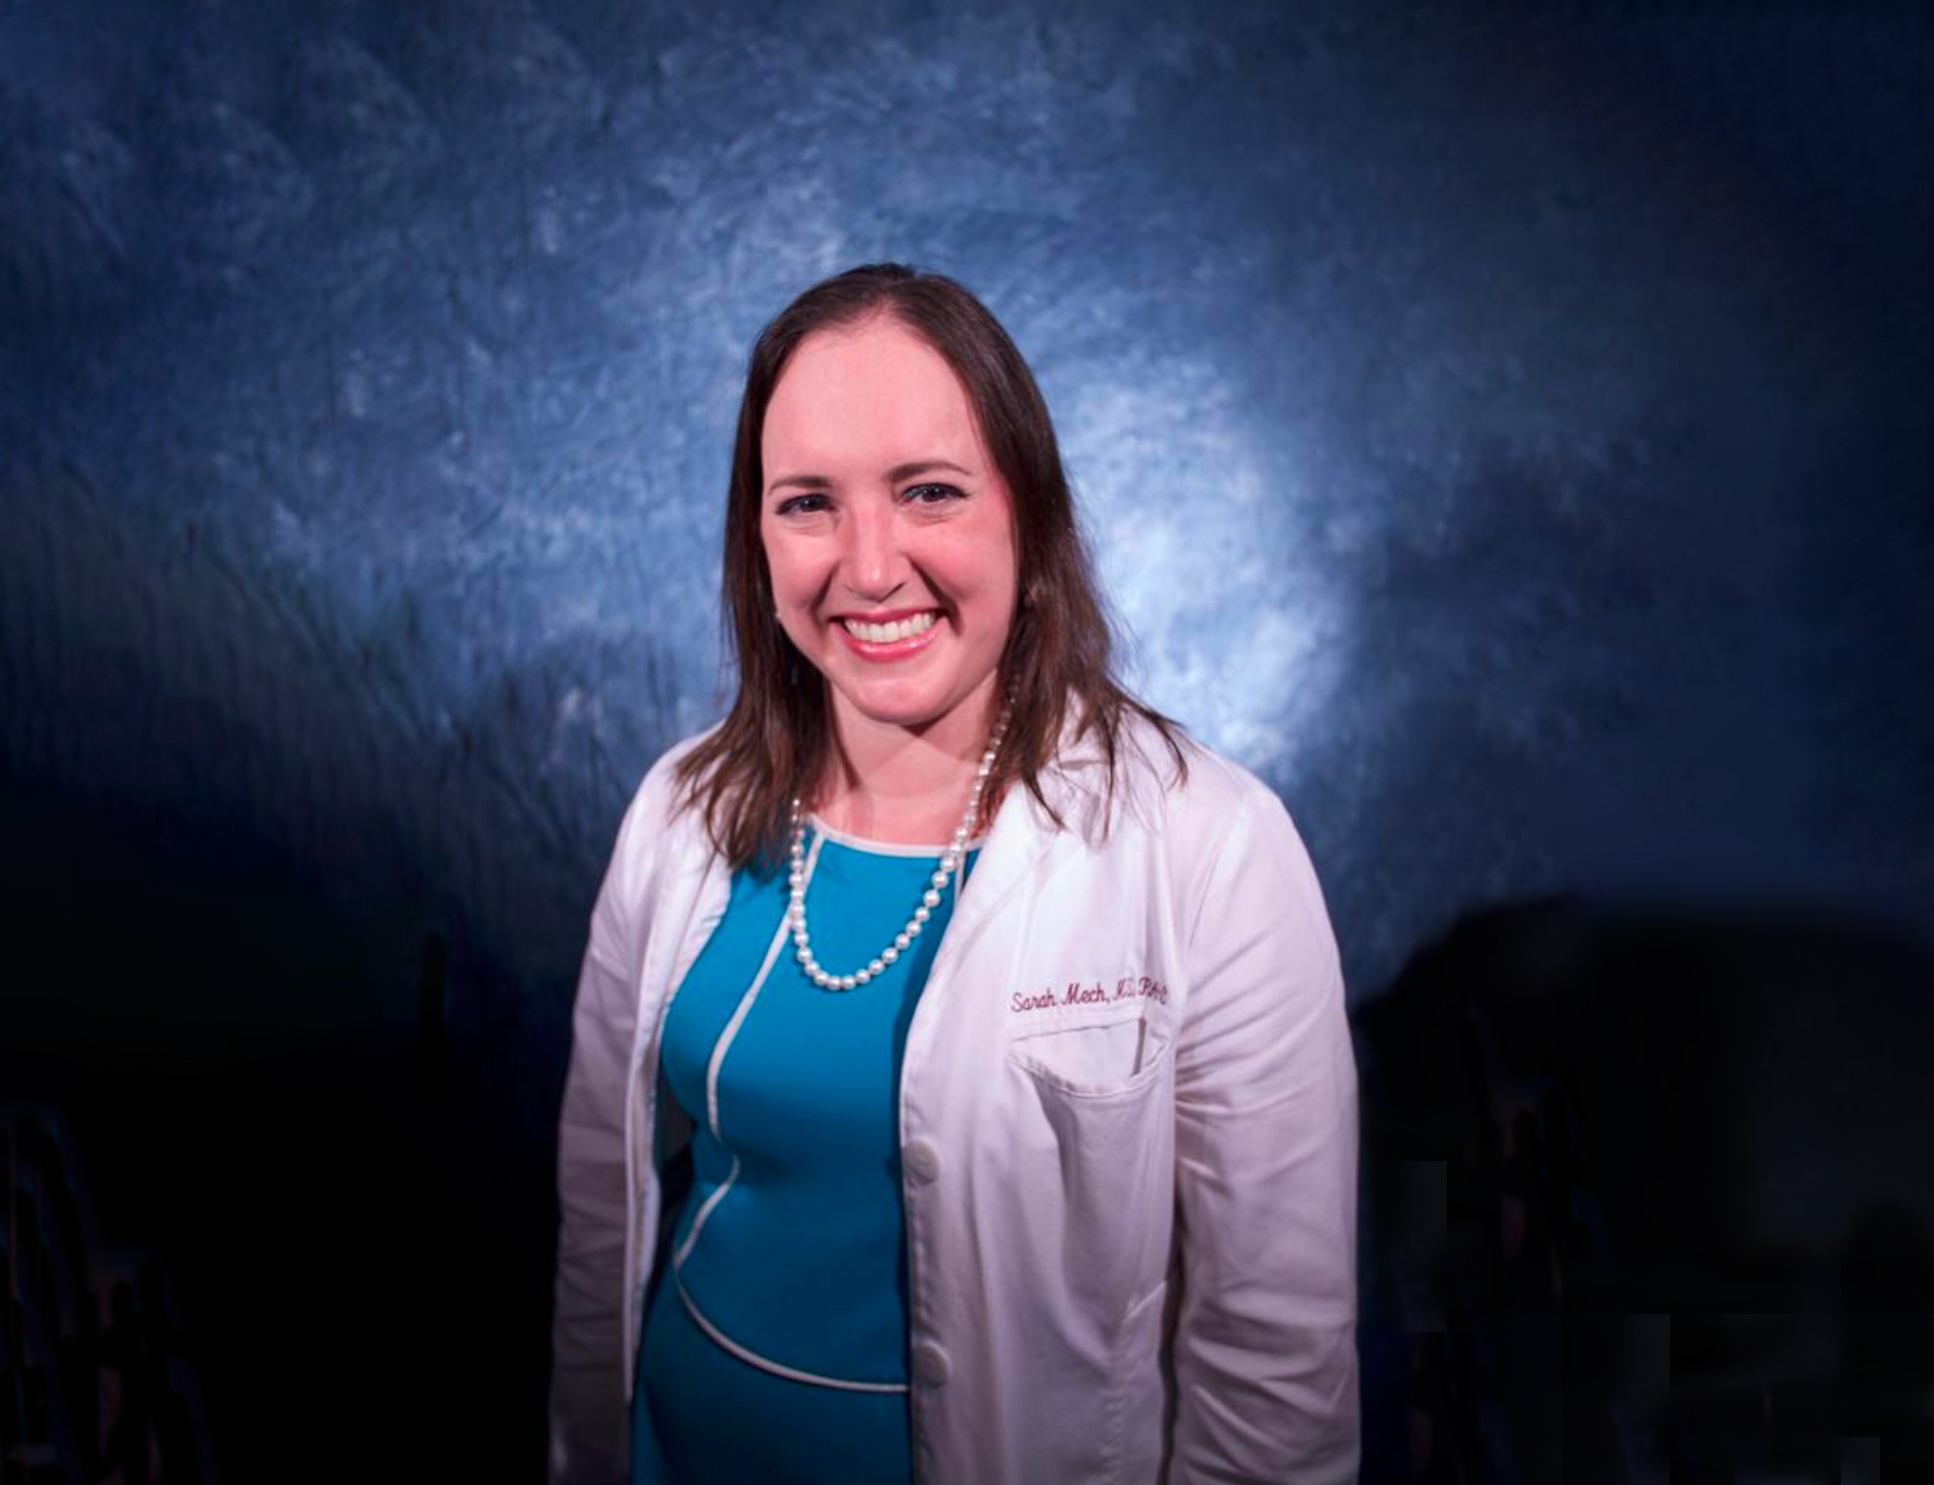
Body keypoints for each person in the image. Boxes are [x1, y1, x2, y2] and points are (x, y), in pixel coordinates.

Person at [549, 263, 1359, 1485]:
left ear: (1027, 523)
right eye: (807, 503)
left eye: (928, 492)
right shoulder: (678, 813)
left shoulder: (1212, 851)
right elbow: (601, 1222)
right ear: (756, 540)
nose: (868, 568)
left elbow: (1275, 1361)